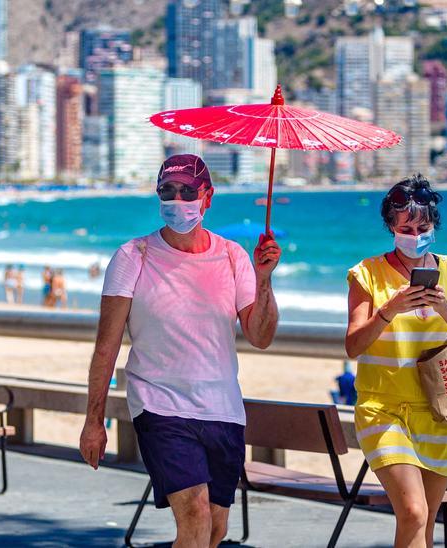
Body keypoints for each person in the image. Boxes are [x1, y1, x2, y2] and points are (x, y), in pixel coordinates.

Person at [80, 154, 281, 548]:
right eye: (167, 191)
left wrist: (263, 279)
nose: (176, 199)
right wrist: (94, 421)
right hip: (159, 404)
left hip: (222, 409)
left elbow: (260, 335)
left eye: (187, 191)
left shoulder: (232, 256)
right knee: (195, 515)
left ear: (207, 196)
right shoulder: (132, 256)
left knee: (216, 530)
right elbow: (107, 346)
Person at [343, 175, 447, 548]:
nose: (415, 234)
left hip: (439, 410)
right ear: (391, 226)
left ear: (434, 225)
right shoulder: (367, 274)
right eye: (406, 227)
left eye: (423, 227)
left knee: (426, 521)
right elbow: (354, 345)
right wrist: (389, 310)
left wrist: (444, 307)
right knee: (414, 513)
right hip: (382, 408)